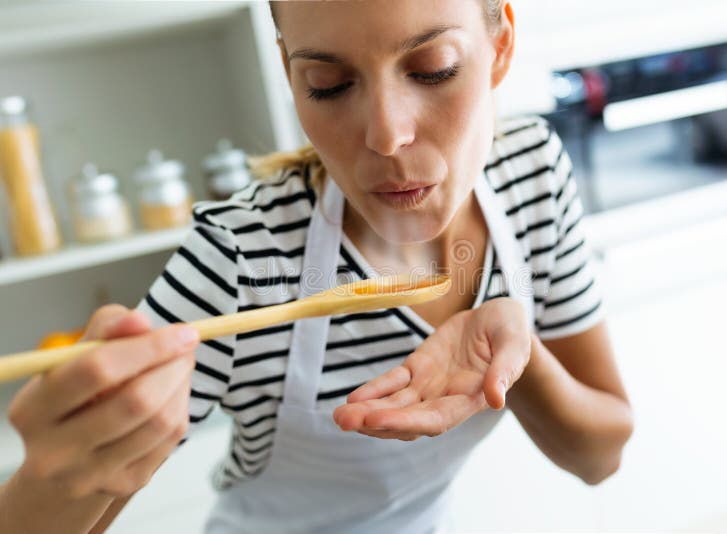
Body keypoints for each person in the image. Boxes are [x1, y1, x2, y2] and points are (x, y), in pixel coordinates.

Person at [0, 1, 634, 532]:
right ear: (289, 71)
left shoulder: (529, 172)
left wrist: (515, 358)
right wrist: (58, 473)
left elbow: (602, 455)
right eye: (329, 84)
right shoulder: (244, 256)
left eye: (433, 69)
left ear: (499, 46)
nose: (386, 136)